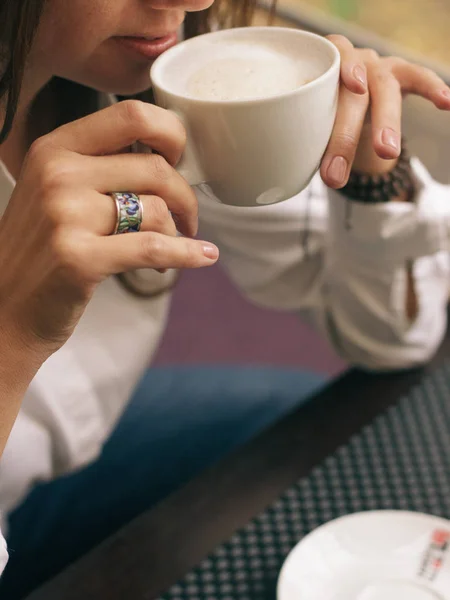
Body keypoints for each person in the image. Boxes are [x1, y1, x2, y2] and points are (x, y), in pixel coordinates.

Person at [1, 0, 450, 595]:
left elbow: (391, 344)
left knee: (292, 413)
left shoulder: (160, 94)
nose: (194, 1)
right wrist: (11, 334)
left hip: (58, 469)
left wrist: (373, 175)